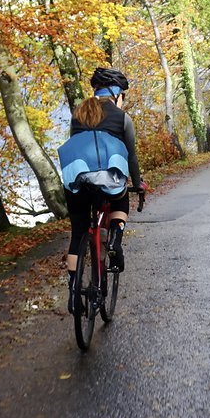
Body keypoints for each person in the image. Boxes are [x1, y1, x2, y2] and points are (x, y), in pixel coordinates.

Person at [58, 66, 144, 313]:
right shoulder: (122, 118)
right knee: (120, 200)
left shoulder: (79, 114)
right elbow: (131, 157)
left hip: (77, 180)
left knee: (77, 234)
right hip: (110, 180)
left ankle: (74, 295)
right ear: (117, 94)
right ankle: (115, 239)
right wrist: (136, 183)